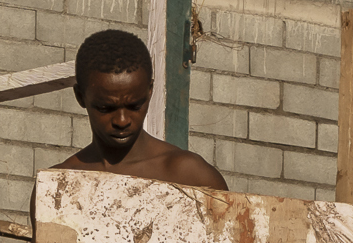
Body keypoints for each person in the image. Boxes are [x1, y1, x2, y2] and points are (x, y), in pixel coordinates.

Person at [54, 26, 229, 190]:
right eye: (106, 108)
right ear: (80, 96)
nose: (122, 121)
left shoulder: (190, 176)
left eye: (134, 106)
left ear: (150, 91)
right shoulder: (58, 185)